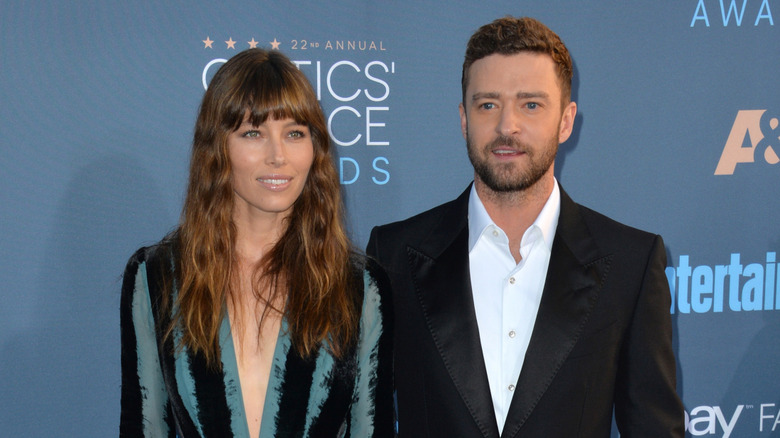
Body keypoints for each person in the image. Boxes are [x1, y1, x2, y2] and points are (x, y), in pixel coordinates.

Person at [367, 16, 684, 437]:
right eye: (487, 105)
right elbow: (364, 420)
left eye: (530, 105)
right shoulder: (393, 255)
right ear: (463, 119)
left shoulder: (631, 263)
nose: (507, 126)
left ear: (566, 121)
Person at [120, 48, 393, 437]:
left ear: (314, 148)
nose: (278, 155)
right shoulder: (158, 277)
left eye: (295, 133)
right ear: (217, 147)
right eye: (253, 133)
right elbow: (143, 427)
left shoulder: (360, 287)